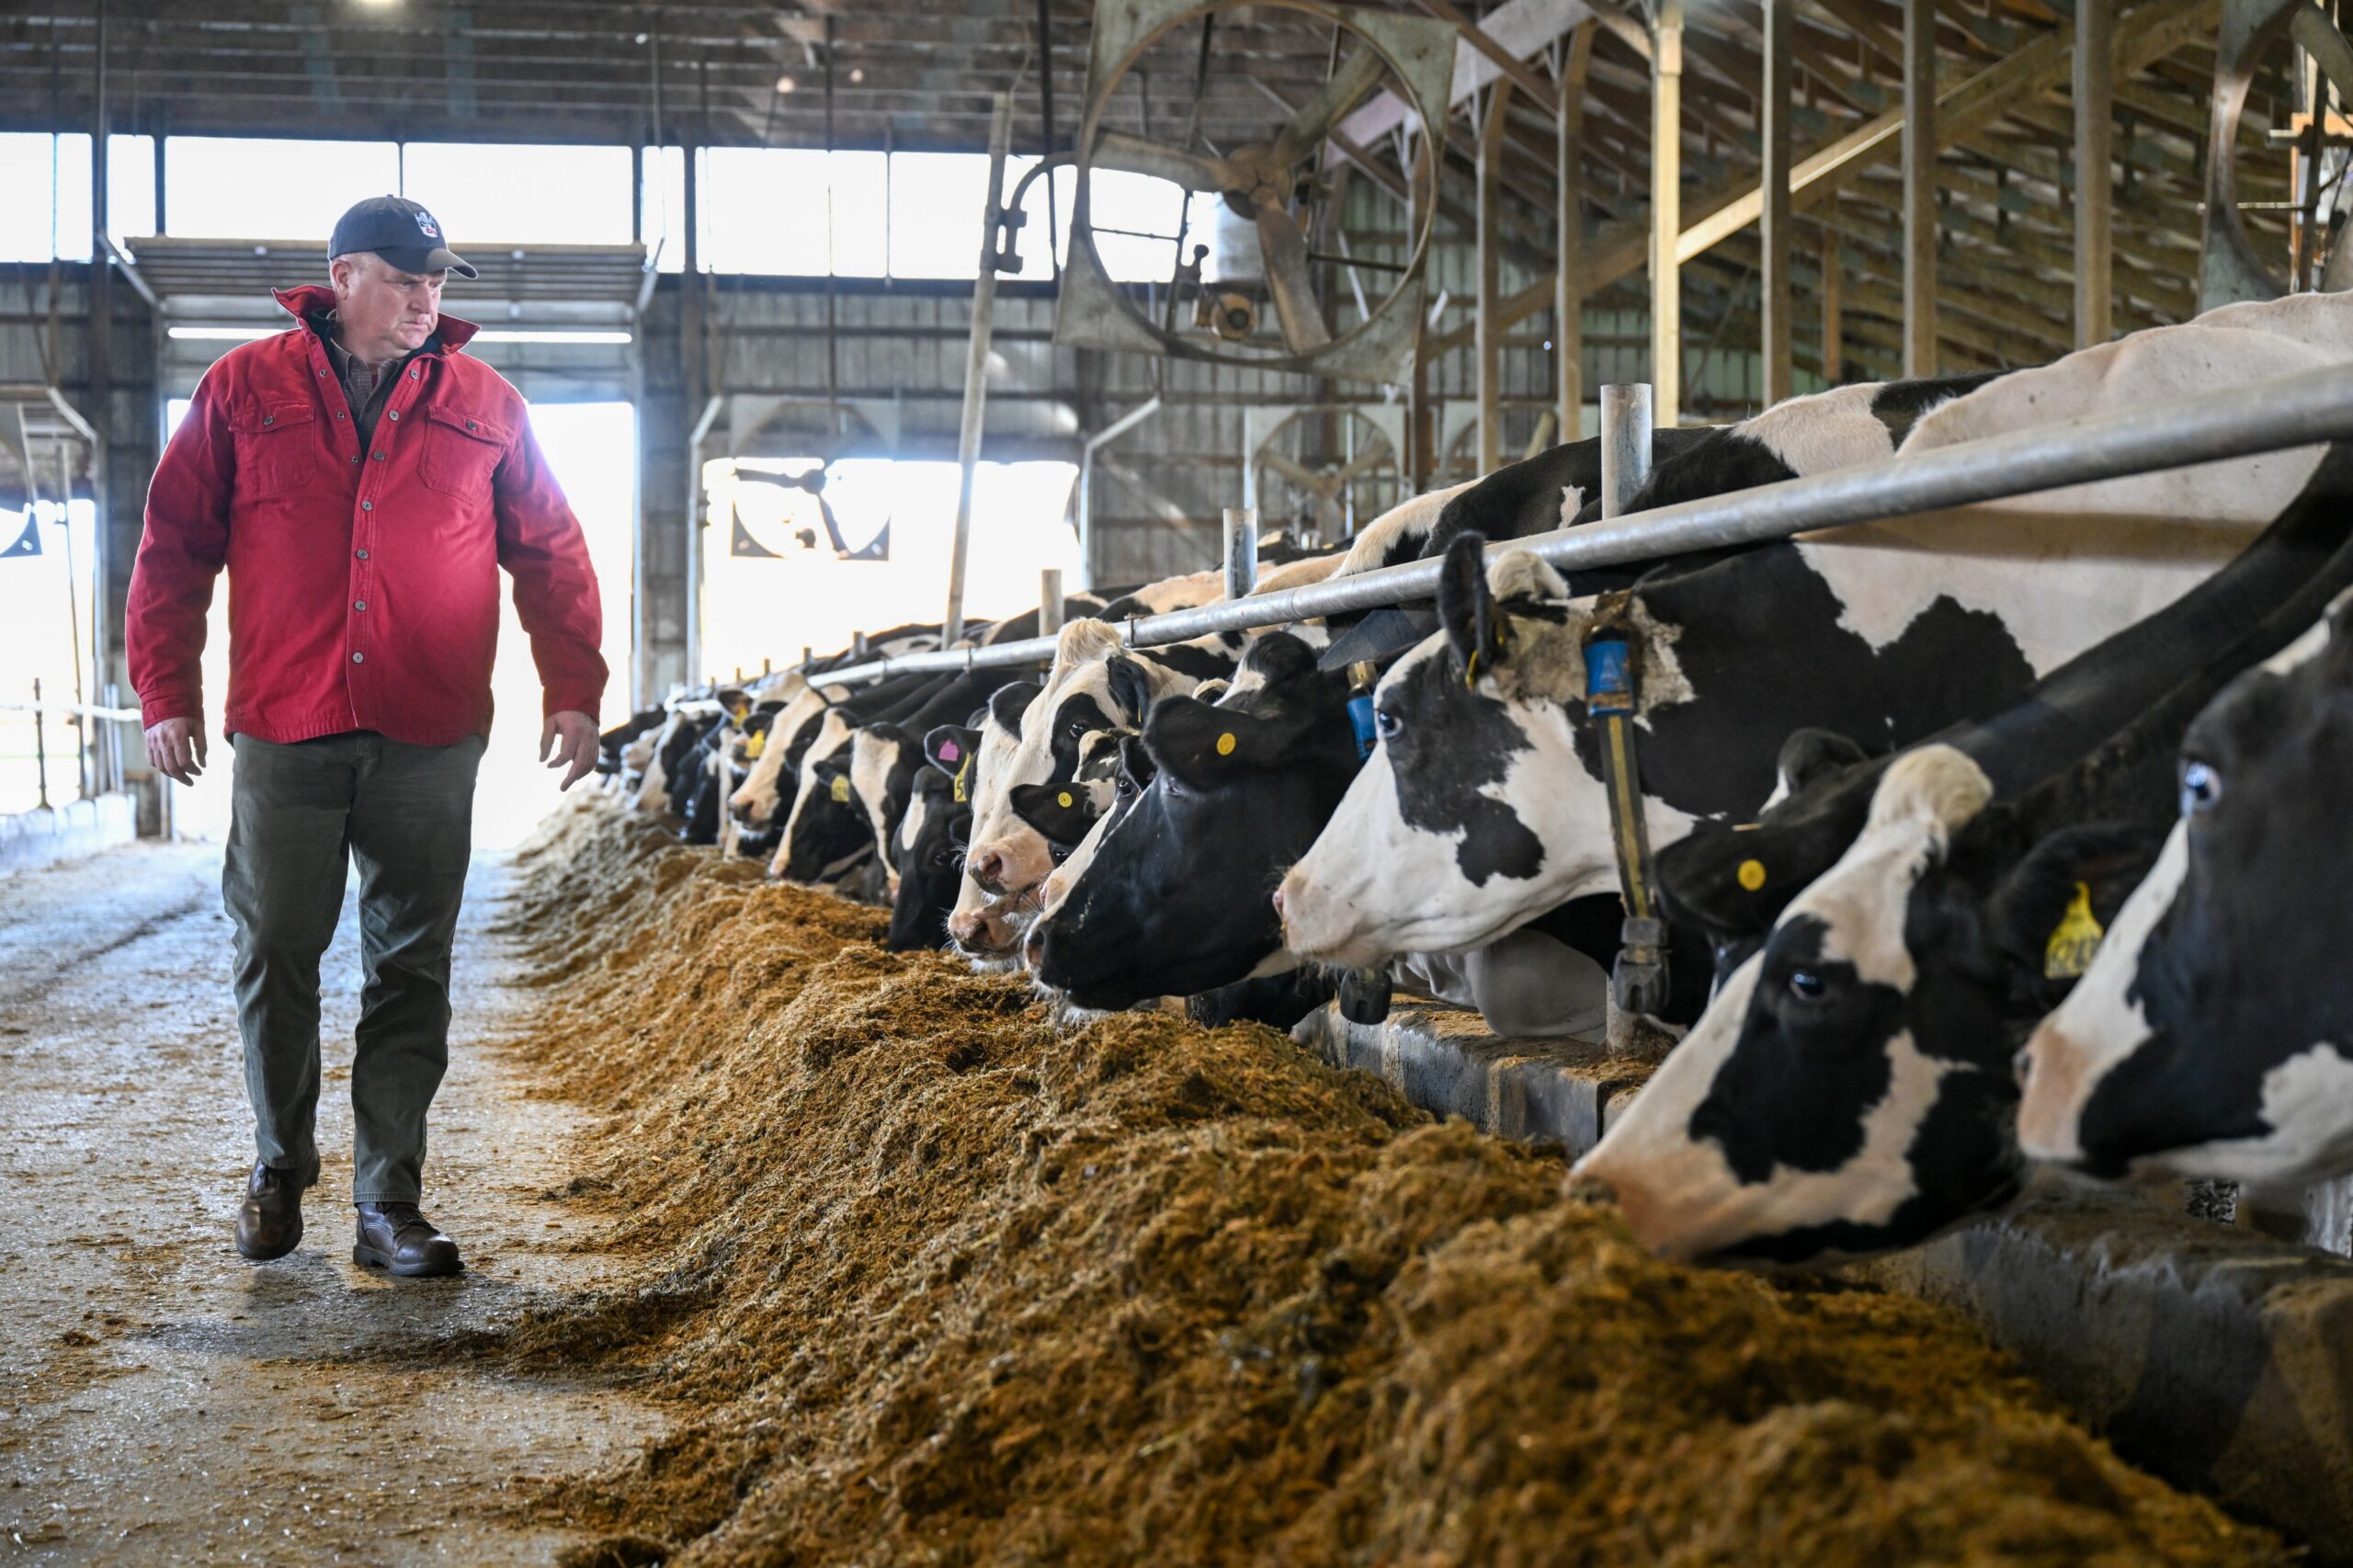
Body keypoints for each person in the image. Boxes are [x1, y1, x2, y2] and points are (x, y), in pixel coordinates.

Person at [126, 196, 607, 1279]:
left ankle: (389, 1201)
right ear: (342, 278)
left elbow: (552, 552)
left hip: (429, 729)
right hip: (286, 724)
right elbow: (173, 547)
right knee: (274, 946)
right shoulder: (241, 388)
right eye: (402, 279)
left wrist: (572, 687)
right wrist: (166, 692)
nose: (424, 300)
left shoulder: (488, 403)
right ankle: (278, 1164)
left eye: (436, 281)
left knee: (411, 964)